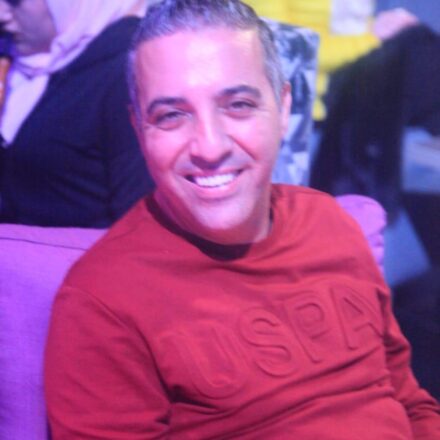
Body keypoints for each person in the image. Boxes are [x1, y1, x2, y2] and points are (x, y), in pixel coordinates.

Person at [44, 0, 440, 438]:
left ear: (284, 108)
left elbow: (408, 401)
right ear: (138, 129)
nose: (210, 147)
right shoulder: (103, 299)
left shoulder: (330, 223)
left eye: (238, 105)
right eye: (171, 115)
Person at [0, 0, 154, 227]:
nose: (2, 14)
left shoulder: (128, 69)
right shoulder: (19, 58)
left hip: (78, 249)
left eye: (14, 1)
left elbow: (138, 220)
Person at [246, 0, 419, 120]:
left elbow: (351, 29)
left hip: (350, 101)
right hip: (295, 110)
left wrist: (389, 25)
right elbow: (284, 51)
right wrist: (373, 37)